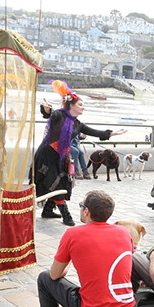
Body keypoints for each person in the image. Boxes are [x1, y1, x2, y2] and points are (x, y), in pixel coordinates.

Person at [27, 190, 137, 307]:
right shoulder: (123, 232)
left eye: (81, 206)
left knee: (44, 278)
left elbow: (55, 275)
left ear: (87, 211)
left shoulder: (73, 234)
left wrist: (70, 260)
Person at [34, 90, 126, 226]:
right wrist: (46, 110)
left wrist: (112, 133)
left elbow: (94, 132)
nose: (83, 107)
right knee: (54, 182)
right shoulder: (60, 115)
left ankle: (47, 210)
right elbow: (51, 114)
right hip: (47, 155)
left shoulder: (77, 124)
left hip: (61, 156)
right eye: (81, 104)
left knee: (62, 181)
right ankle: (66, 215)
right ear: (71, 106)